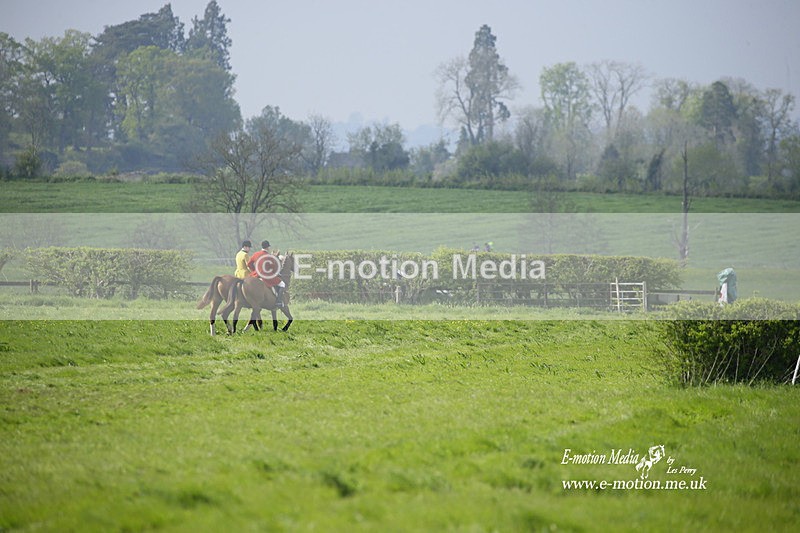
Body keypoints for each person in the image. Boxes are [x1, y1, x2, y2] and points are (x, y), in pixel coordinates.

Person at [247, 240, 286, 307]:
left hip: (256, 275)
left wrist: (254, 271)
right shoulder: (269, 256)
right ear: (267, 247)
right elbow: (273, 267)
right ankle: (279, 301)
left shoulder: (256, 254)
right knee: (282, 284)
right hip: (266, 276)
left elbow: (249, 264)